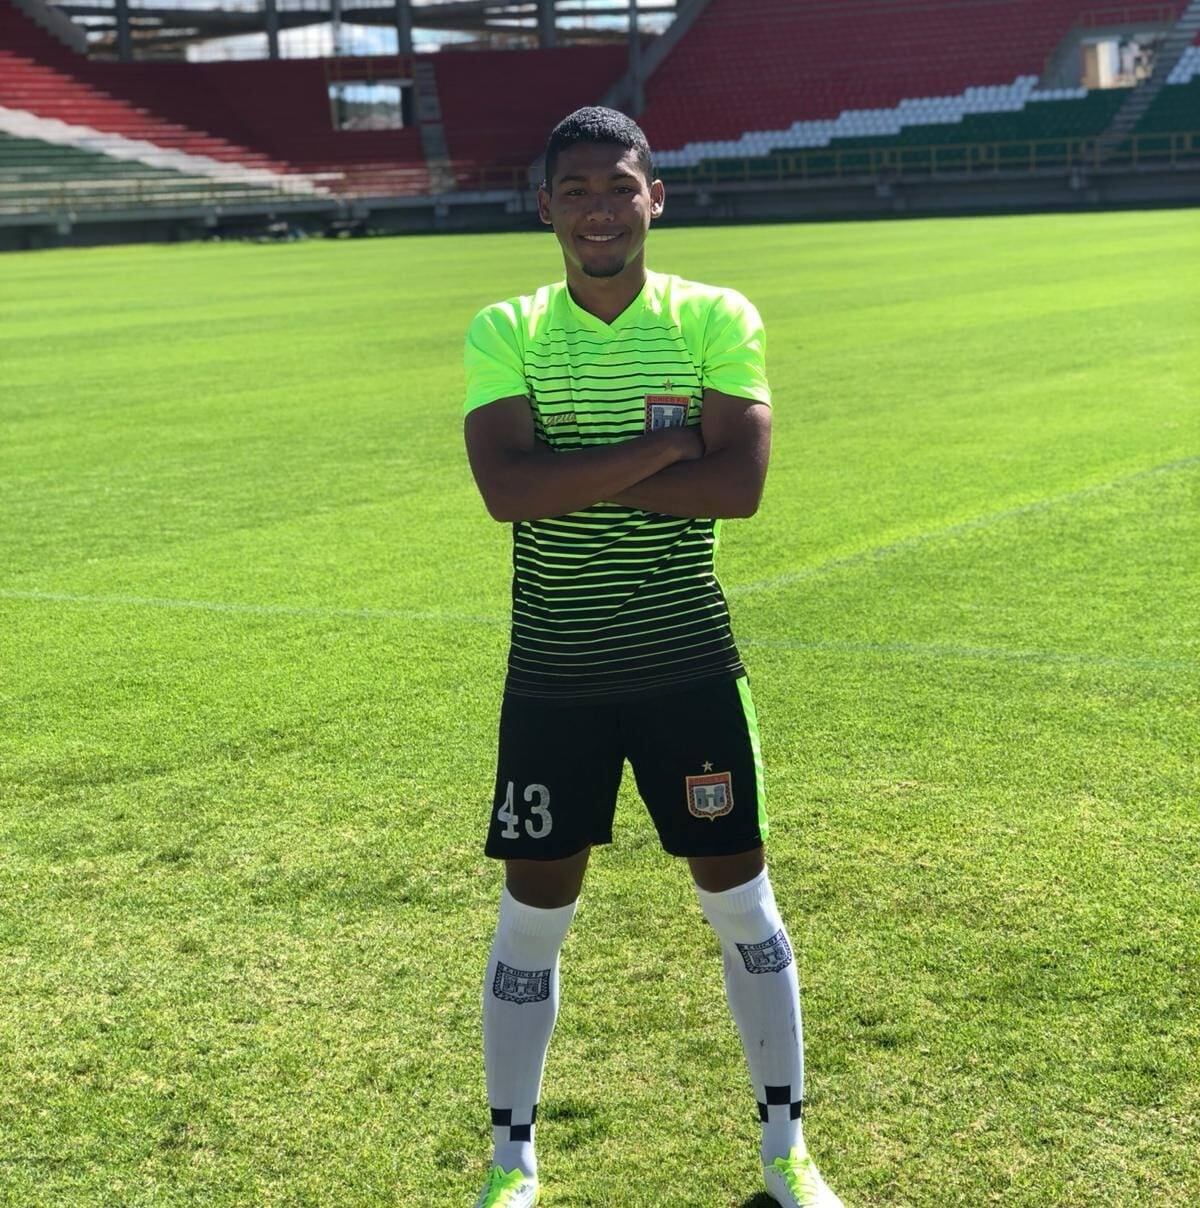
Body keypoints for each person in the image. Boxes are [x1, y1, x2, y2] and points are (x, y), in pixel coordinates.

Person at [462, 106, 842, 1208]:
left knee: (742, 906)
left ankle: (787, 1156)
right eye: (574, 188)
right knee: (533, 918)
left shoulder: (716, 315)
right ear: (544, 205)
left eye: (618, 187)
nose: (597, 208)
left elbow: (739, 488)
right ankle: (511, 1168)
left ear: (654, 198)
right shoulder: (508, 328)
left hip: (688, 668)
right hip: (555, 679)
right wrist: (668, 443)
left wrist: (576, 468)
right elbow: (506, 493)